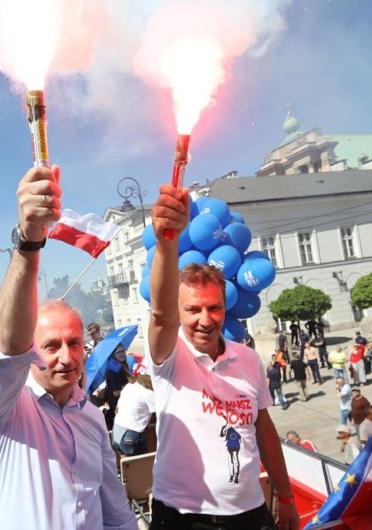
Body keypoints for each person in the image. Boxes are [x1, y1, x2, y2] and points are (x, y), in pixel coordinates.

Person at [0, 165, 136, 530]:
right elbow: (11, 347)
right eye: (51, 345)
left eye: (74, 342)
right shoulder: (4, 408)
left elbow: (115, 508)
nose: (67, 356)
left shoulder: (92, 417)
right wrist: (29, 242)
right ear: (32, 350)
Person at [147, 183, 298, 530]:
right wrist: (167, 241)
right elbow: (161, 314)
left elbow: (264, 431)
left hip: (249, 515)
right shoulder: (168, 358)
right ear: (180, 312)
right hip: (182, 518)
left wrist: (287, 496)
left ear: (225, 307)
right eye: (193, 309)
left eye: (214, 308)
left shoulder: (248, 359)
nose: (205, 319)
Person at [111, 362, 156, 456]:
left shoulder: (129, 386)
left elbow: (117, 409)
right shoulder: (148, 393)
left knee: (129, 468)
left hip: (116, 433)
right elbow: (161, 415)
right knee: (140, 468)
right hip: (131, 437)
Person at [104, 343, 130, 429]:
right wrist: (131, 388)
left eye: (123, 351)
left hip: (125, 405)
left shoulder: (121, 366)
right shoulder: (113, 370)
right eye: (118, 352)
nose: (122, 354)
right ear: (113, 355)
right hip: (119, 408)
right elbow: (115, 392)